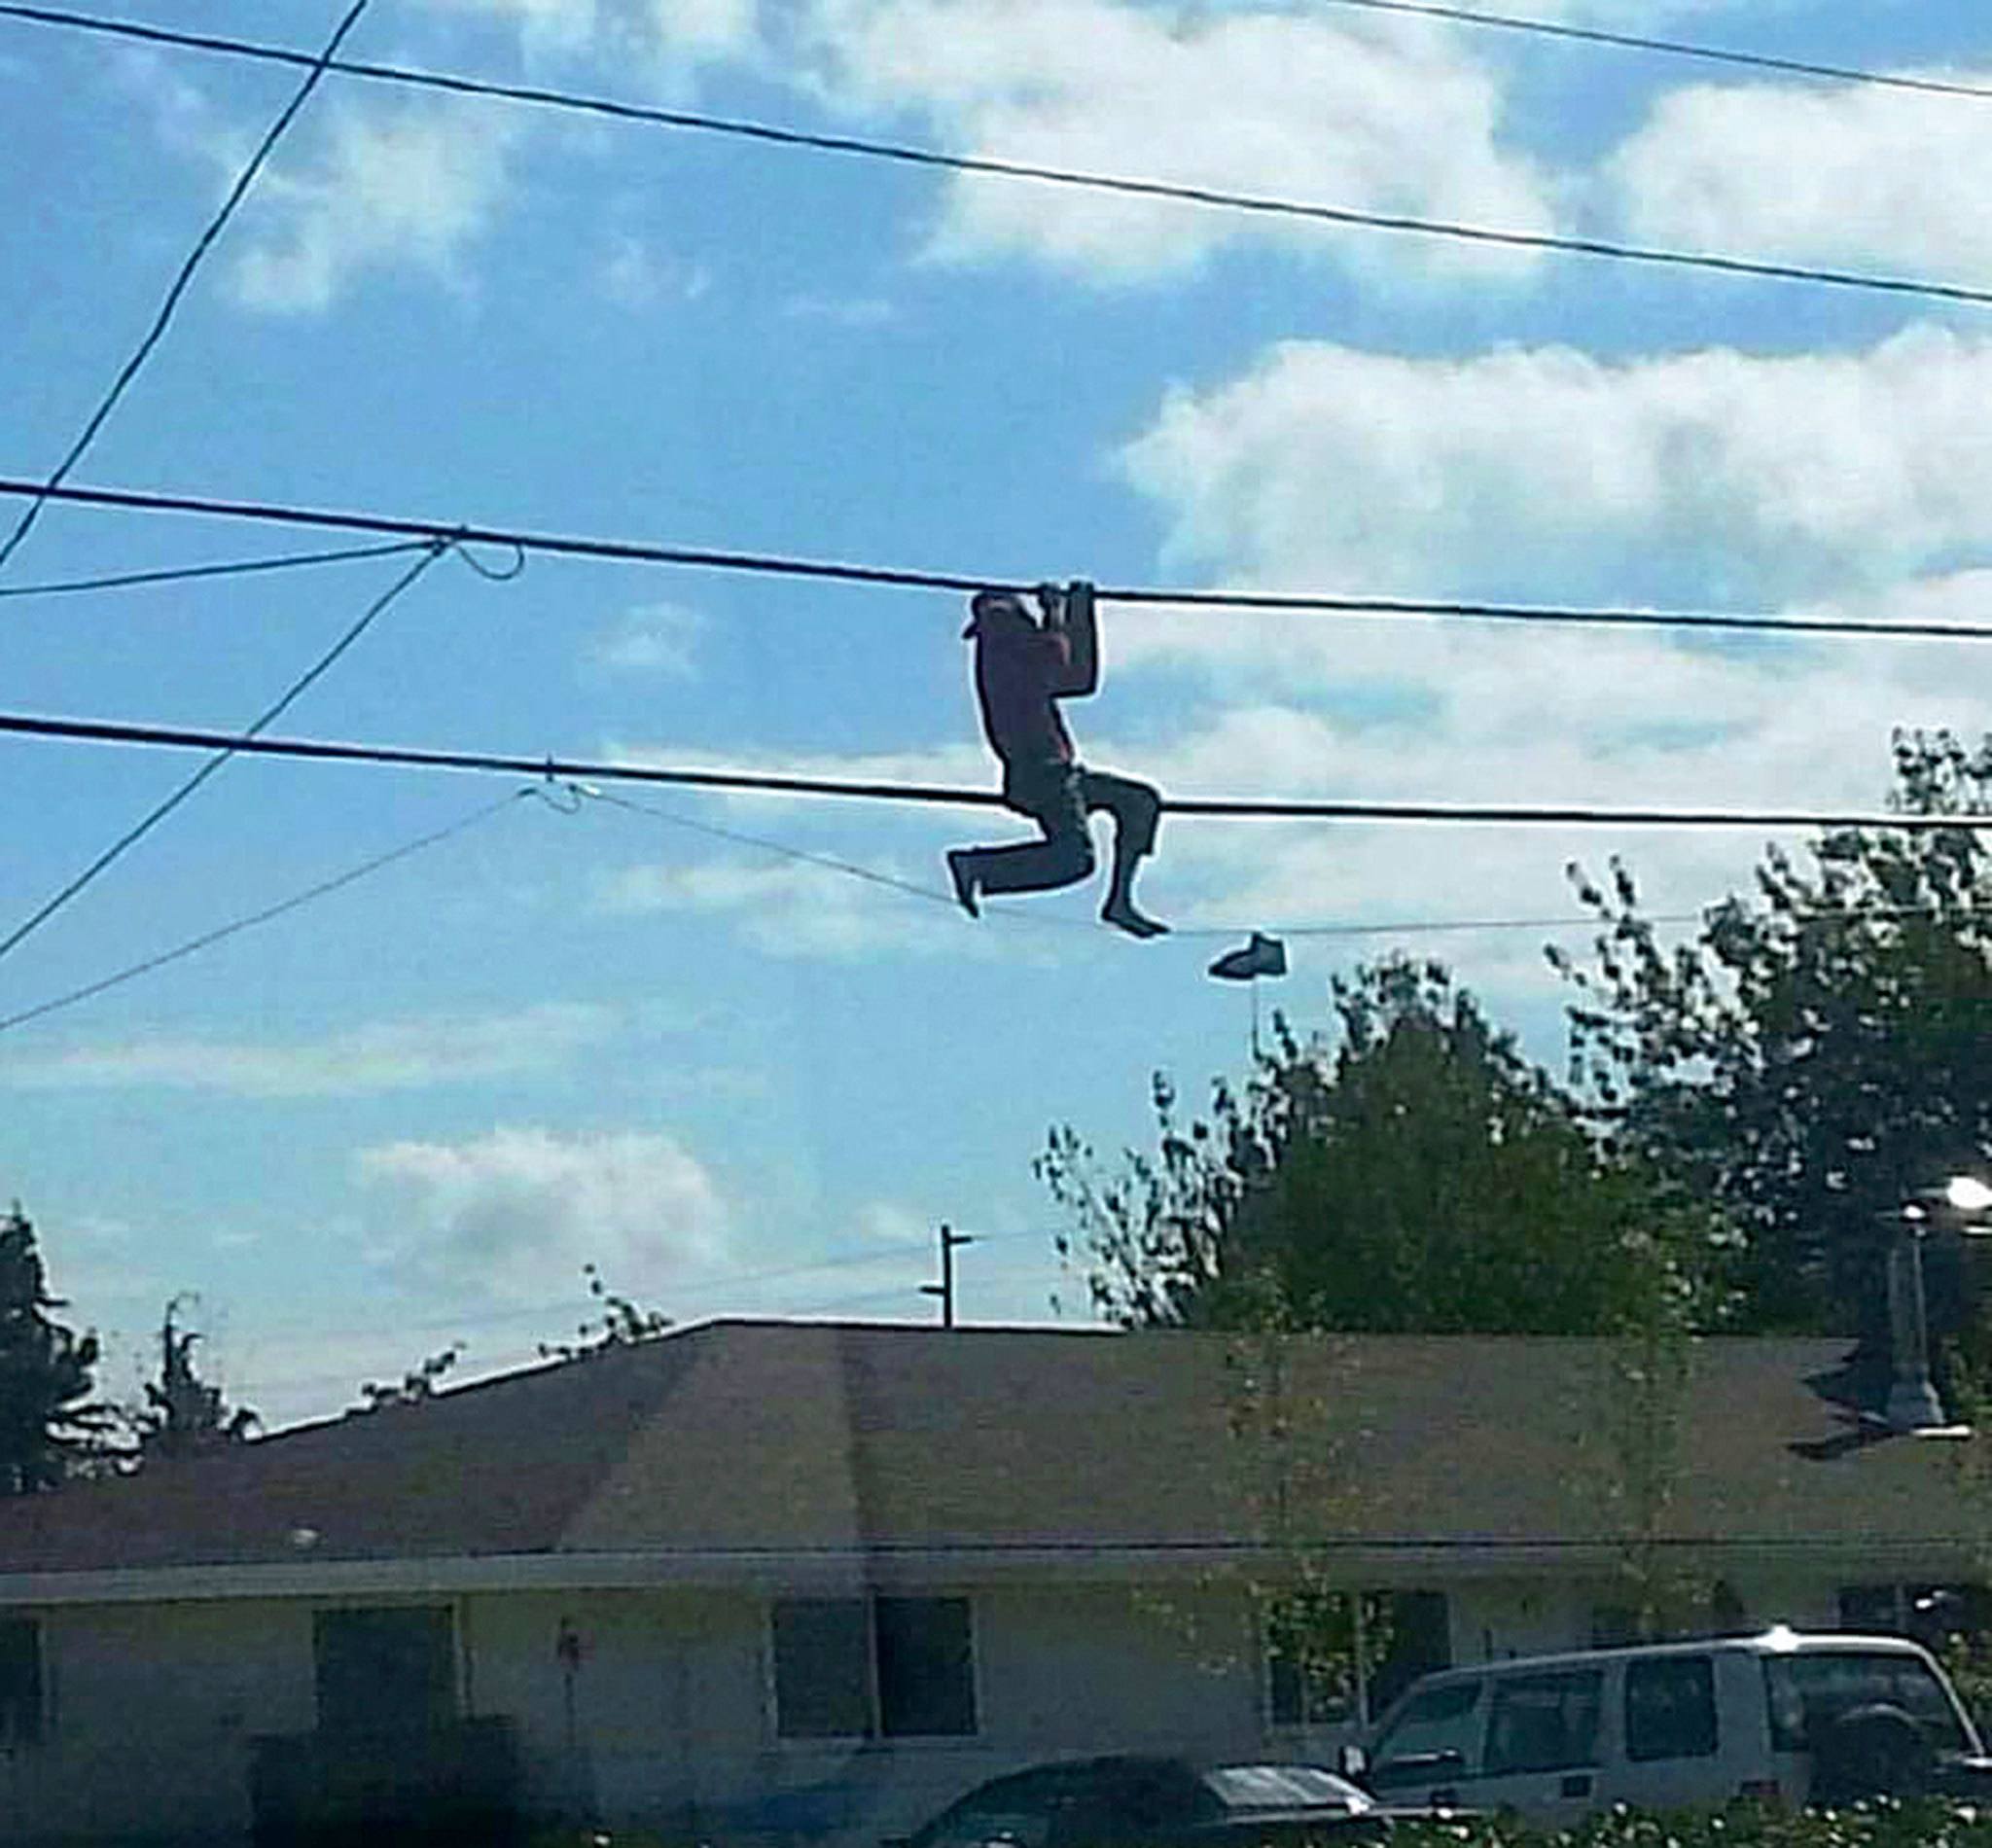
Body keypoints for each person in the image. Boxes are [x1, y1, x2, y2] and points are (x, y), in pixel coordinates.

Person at [945, 580, 1167, 939]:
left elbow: (1077, 679)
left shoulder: (1012, 649)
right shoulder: (1003, 630)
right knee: (1074, 859)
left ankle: (1120, 901)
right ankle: (979, 866)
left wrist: (1079, 611)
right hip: (1041, 770)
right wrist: (1054, 612)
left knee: (1139, 801)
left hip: (1056, 770)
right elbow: (1055, 658)